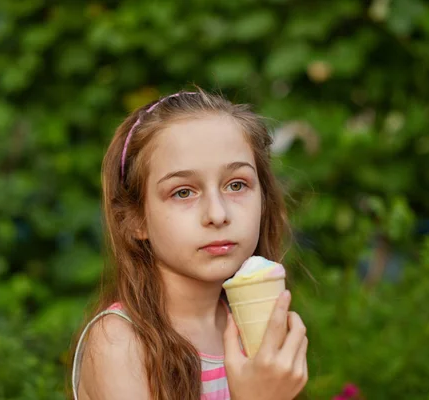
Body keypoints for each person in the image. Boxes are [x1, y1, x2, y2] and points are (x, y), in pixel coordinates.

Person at [70, 89, 309, 400]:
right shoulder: (121, 342)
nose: (217, 214)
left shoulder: (250, 324)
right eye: (183, 192)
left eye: (236, 184)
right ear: (134, 219)